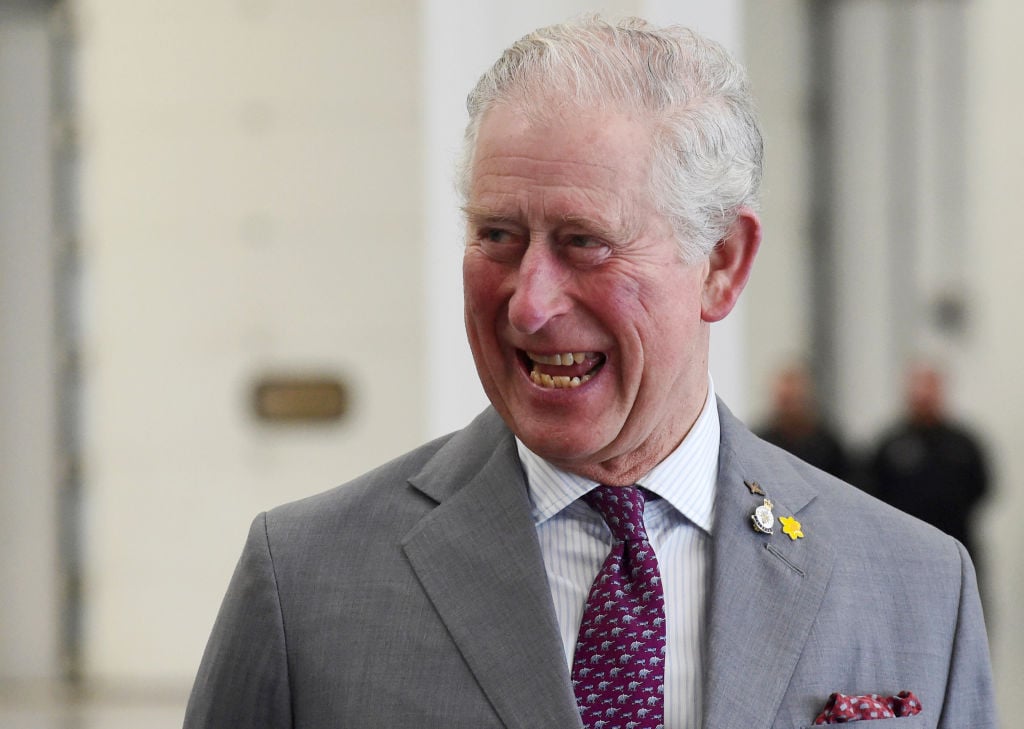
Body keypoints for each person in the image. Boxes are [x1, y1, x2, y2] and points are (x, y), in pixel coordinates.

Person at [184, 17, 995, 729]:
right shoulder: (305, 583)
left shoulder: (918, 588)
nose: (529, 305)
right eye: (497, 235)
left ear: (721, 263)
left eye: (585, 242)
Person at [869, 362, 990, 569]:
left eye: (930, 387)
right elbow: (873, 489)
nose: (924, 395)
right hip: (903, 549)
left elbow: (982, 487)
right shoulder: (890, 444)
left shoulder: (963, 443)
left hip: (956, 546)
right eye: (919, 387)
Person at [755, 362, 851, 480]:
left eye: (794, 401)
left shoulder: (827, 446)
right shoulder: (760, 443)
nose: (789, 409)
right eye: (785, 401)